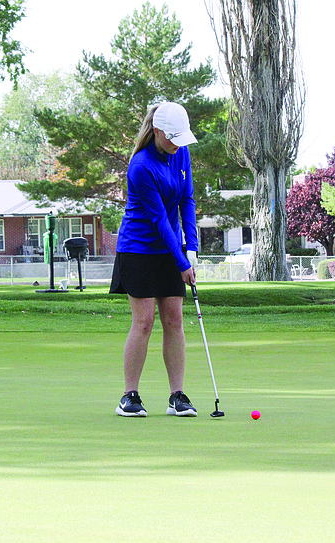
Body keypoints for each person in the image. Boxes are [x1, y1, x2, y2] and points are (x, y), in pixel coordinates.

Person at [110, 102, 199, 417]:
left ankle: (177, 396)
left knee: (174, 319)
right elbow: (160, 219)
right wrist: (182, 262)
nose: (177, 144)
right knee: (144, 320)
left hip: (170, 247)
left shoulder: (181, 153)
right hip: (138, 250)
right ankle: (129, 396)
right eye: (172, 138)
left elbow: (187, 200)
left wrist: (192, 248)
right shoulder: (141, 165)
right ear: (157, 131)